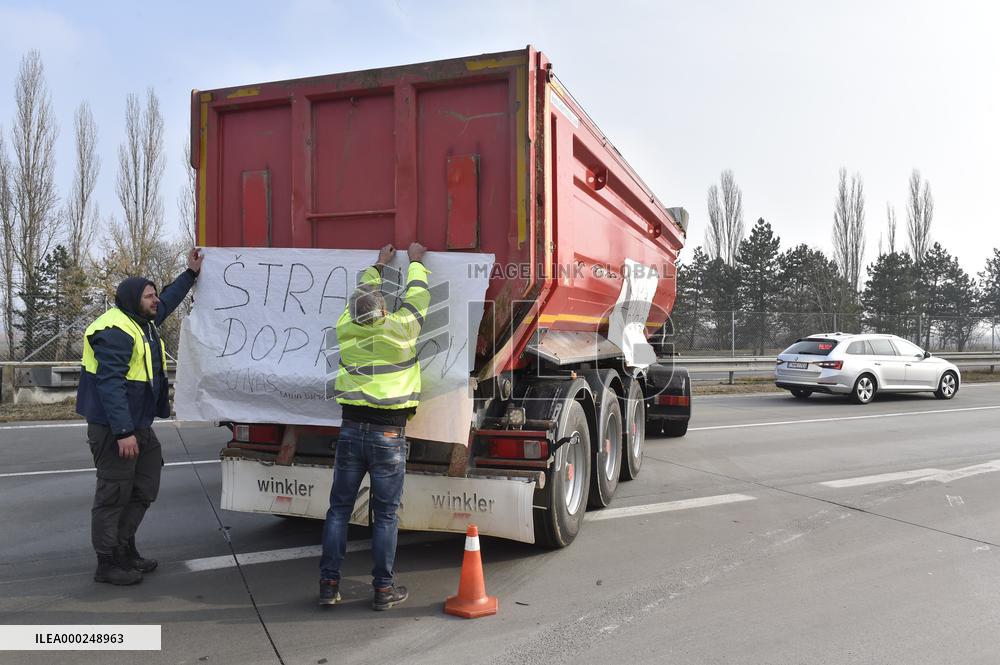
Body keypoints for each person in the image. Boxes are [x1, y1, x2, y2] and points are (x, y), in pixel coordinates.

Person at [76, 248, 204, 585]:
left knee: (144, 486)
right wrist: (122, 432)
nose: (156, 300)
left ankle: (124, 546)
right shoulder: (116, 330)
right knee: (113, 493)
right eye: (150, 296)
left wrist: (190, 275)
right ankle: (107, 562)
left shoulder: (142, 323)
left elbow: (171, 299)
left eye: (155, 295)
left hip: (139, 426)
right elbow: (110, 384)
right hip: (115, 428)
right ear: (134, 299)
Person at [319, 242, 430, 610]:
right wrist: (414, 261)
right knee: (384, 515)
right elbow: (417, 294)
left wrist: (377, 266)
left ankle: (328, 586)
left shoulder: (344, 329)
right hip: (388, 436)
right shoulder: (400, 330)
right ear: (384, 309)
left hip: (351, 429)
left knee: (338, 510)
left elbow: (360, 297)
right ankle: (383, 591)